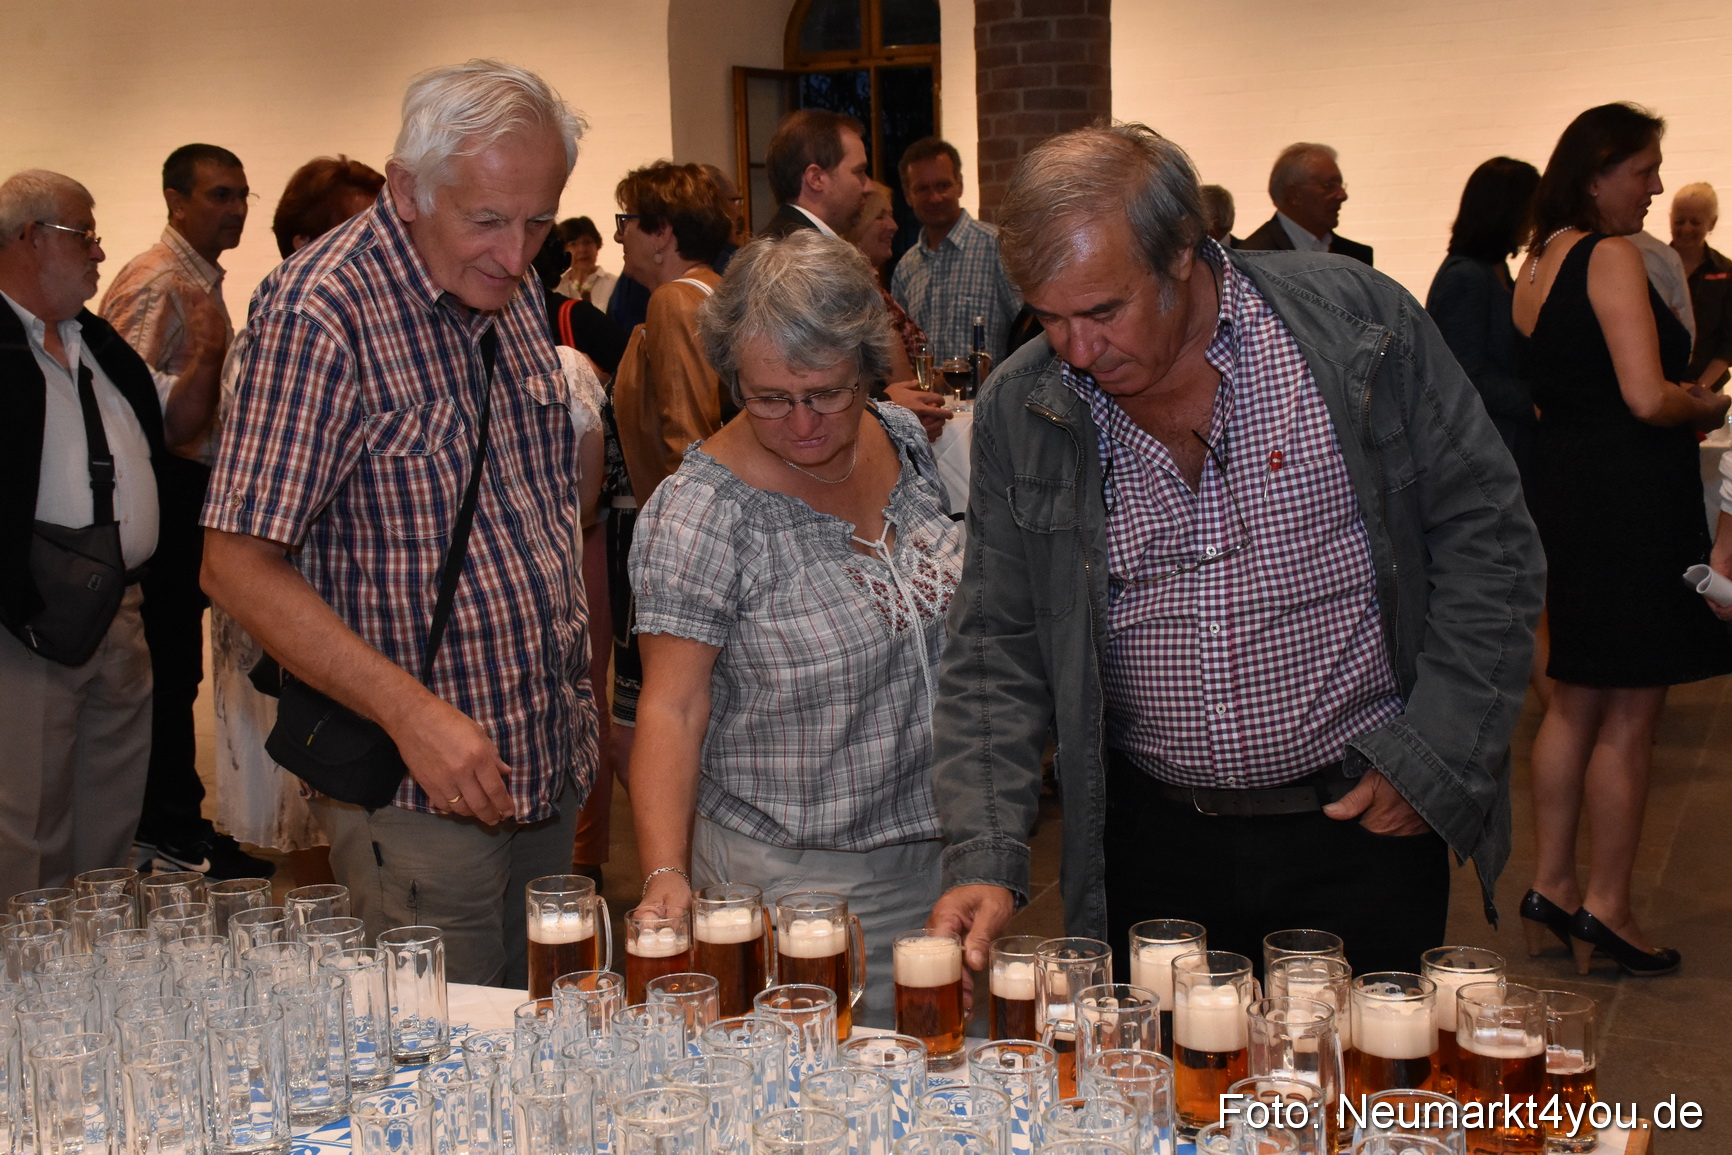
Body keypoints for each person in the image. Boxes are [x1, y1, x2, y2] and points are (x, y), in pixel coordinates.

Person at [926, 123, 1542, 979]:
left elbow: (1491, 544)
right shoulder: (1021, 406)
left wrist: (1436, 755)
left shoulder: (1357, 328)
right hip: (1149, 844)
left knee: (1359, 1103)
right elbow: (996, 642)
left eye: (1103, 311)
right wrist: (988, 848)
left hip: (1360, 820)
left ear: (1184, 252)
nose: (1075, 349)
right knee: (1161, 1104)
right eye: (1050, 316)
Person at [200, 59, 599, 986]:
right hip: (413, 785)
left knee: (543, 1042)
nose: (516, 252)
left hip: (538, 756)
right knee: (442, 1073)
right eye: (489, 220)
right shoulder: (321, 312)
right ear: (408, 189)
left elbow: (534, 516)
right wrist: (412, 713)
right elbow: (235, 564)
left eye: (539, 220)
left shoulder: (514, 287)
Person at [629, 231, 962, 1027]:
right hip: (794, 886)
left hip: (942, 860)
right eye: (770, 397)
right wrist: (663, 870)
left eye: (828, 392)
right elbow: (671, 709)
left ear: (864, 368)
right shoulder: (702, 512)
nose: (803, 422)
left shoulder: (900, 438)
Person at [1512, 103, 1731, 977]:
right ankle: (1610, 904)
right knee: (1632, 709)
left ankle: (1553, 885)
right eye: (1644, 170)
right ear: (1598, 171)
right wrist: (1705, 404)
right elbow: (1647, 397)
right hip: (1628, 500)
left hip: (1570, 492)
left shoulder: (1540, 262)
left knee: (1575, 698)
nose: (1655, 187)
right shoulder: (1606, 257)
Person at [0, 169, 217, 896]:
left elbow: (174, 433)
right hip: (29, 615)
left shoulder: (96, 341)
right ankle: (26, 989)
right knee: (29, 820)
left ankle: (94, 972)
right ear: (29, 238)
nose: (100, 251)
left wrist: (208, 357)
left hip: (122, 606)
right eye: (83, 234)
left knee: (111, 812)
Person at [100, 143, 274, 879]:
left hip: (185, 484)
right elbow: (128, 406)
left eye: (242, 196)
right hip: (164, 486)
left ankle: (179, 819)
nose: (234, 209)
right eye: (218, 195)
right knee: (167, 671)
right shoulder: (159, 280)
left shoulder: (194, 280)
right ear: (175, 199)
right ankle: (166, 829)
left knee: (177, 671)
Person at [207, 155, 386, 859]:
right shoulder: (287, 329)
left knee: (336, 815)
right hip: (285, 594)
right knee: (302, 783)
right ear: (302, 240)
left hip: (336, 603)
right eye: (354, 227)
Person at [1426, 157, 1543, 480]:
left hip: (1510, 440)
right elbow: (1463, 376)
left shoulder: (1496, 269)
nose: (1535, 219)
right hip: (1490, 449)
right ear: (1508, 211)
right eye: (1531, 207)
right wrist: (1536, 401)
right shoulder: (1465, 277)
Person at [891, 136, 1023, 365]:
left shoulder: (997, 247)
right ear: (907, 195)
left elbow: (1029, 332)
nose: (934, 198)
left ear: (960, 184)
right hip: (925, 400)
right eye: (922, 189)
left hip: (989, 399)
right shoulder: (905, 269)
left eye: (943, 185)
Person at [1238, 142, 1373, 266]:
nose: (1343, 195)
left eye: (1340, 185)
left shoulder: (1357, 257)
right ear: (1294, 195)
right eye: (1330, 186)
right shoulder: (1252, 259)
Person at [846, 181, 928, 378]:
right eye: (880, 216)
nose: (893, 225)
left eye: (891, 215)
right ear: (857, 224)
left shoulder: (874, 283)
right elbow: (896, 379)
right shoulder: (856, 288)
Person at [758, 109, 873, 241]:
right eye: (858, 172)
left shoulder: (782, 242)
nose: (869, 187)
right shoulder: (798, 254)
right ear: (816, 179)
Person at [1669, 183, 1732, 389]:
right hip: (1660, 387)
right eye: (1679, 221)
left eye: (1695, 222)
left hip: (1707, 387)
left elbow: (1728, 342)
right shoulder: (1652, 265)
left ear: (1711, 223)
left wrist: (1700, 389)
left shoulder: (1726, 271)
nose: (1686, 228)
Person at [554, 216, 618, 309]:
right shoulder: (557, 288)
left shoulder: (614, 285)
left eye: (587, 242)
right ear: (563, 249)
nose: (582, 249)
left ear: (597, 245)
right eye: (573, 244)